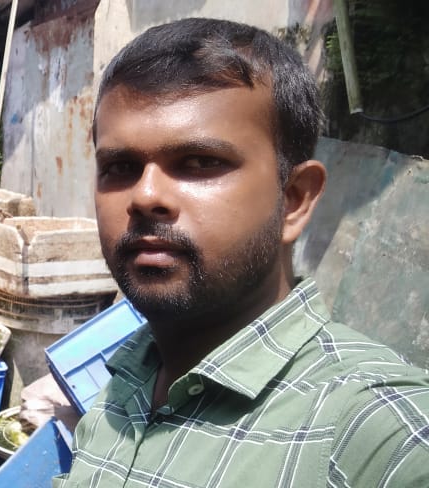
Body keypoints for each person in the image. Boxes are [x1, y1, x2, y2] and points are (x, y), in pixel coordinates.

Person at [56, 18, 429, 487]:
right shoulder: (125, 384)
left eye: (200, 162)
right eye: (120, 166)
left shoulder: (376, 434)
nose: (144, 195)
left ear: (293, 200)